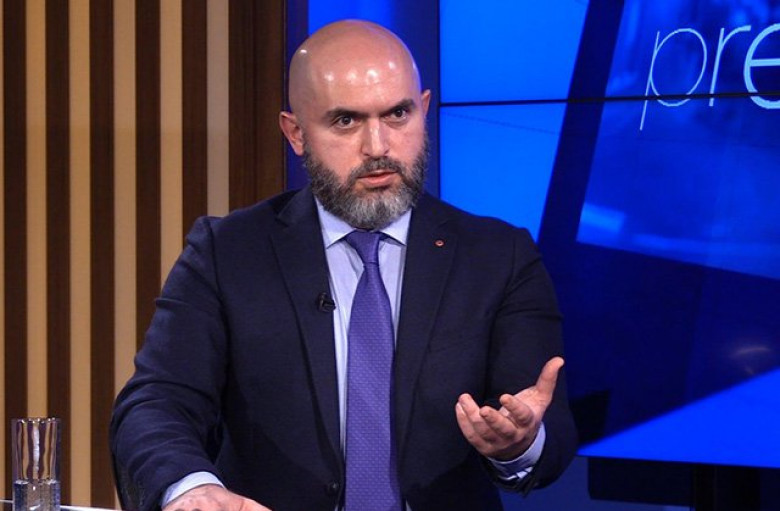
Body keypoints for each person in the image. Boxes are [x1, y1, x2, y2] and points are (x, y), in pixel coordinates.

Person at [110, 19, 577, 511]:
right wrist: (192, 488)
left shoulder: (499, 256)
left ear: (424, 110)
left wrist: (519, 444)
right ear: (295, 133)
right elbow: (157, 402)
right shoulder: (226, 253)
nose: (378, 147)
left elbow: (546, 429)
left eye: (397, 114)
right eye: (346, 121)